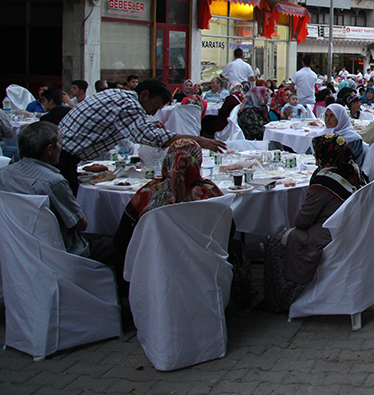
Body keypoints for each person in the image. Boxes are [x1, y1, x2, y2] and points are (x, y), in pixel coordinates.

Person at [261, 134, 368, 313]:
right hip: (354, 229)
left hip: (332, 234)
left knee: (276, 241)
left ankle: (281, 297)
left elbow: (302, 221)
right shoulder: (352, 169)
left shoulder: (324, 180)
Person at [57, 79, 225, 194]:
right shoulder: (128, 104)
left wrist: (149, 125)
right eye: (154, 105)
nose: (153, 112)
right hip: (63, 156)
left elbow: (126, 125)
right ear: (144, 94)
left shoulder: (120, 96)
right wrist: (198, 140)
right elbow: (148, 136)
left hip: (63, 149)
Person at [112, 139, 224, 280]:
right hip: (202, 267)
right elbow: (227, 230)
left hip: (153, 267)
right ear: (197, 162)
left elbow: (121, 239)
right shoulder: (209, 192)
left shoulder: (149, 193)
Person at [0, 122, 91, 258]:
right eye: (60, 143)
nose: (61, 148)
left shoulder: (4, 173)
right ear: (49, 149)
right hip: (57, 251)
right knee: (114, 243)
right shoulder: (53, 182)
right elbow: (80, 224)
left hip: (14, 245)